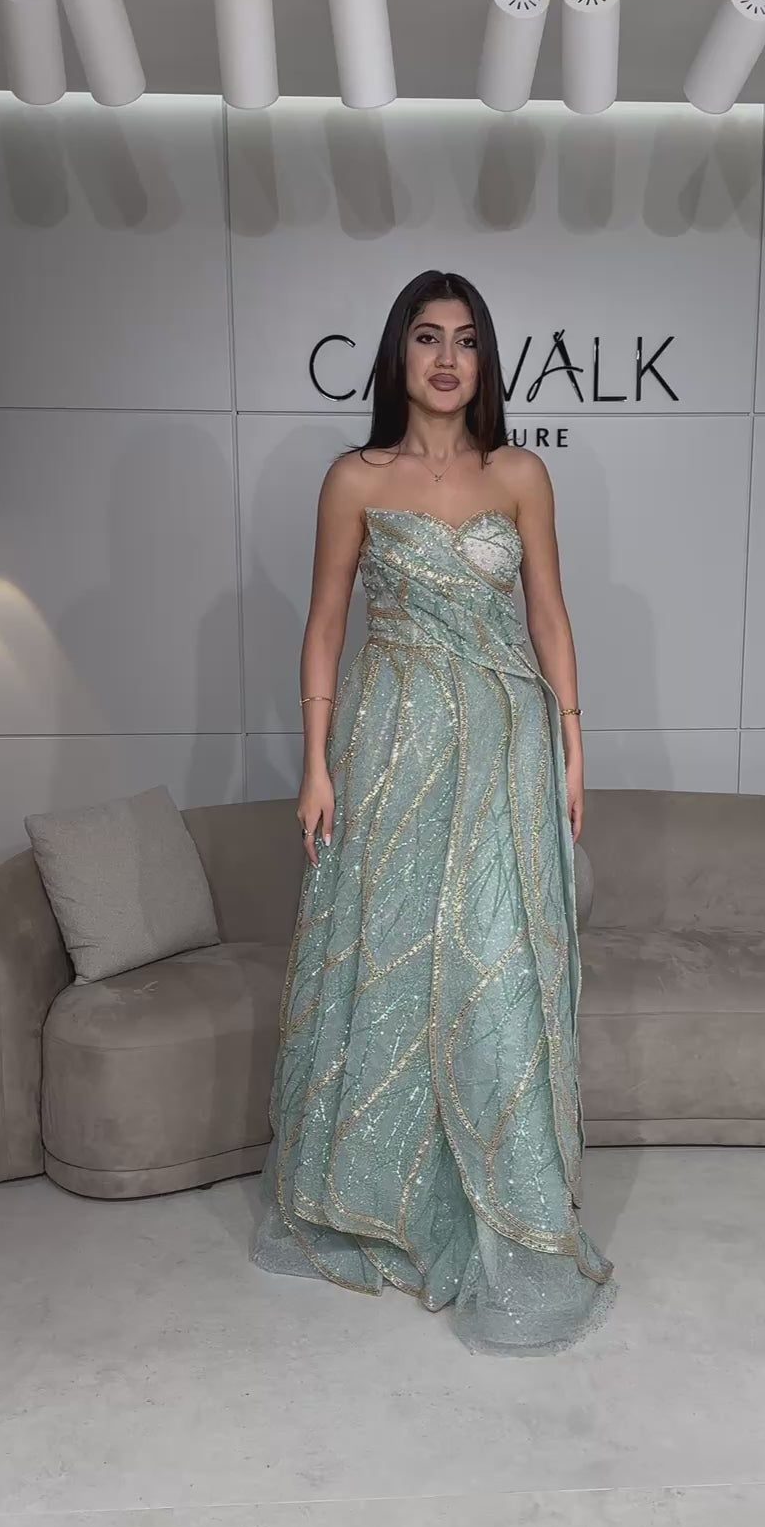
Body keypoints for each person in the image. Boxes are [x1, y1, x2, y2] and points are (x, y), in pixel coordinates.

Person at [250, 269, 615, 1353]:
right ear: (398, 356)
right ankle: (390, 1205)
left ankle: (512, 1215)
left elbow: (549, 615)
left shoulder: (521, 474)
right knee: (396, 963)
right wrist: (315, 765)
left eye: (464, 339)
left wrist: (573, 744)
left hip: (504, 749)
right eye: (426, 337)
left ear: (485, 359)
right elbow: (325, 624)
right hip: (391, 747)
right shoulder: (354, 480)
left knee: (494, 964)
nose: (447, 358)